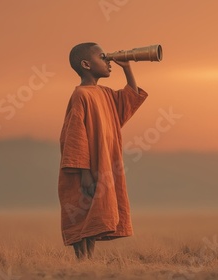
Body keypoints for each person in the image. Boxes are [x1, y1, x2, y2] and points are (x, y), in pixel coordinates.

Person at [58, 42, 148, 260]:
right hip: (85, 167)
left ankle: (88, 262)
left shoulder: (105, 94)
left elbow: (129, 100)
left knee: (95, 211)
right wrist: (85, 172)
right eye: (102, 57)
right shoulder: (81, 94)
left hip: (104, 163)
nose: (108, 61)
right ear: (86, 64)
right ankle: (82, 261)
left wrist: (127, 67)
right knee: (82, 211)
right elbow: (75, 135)